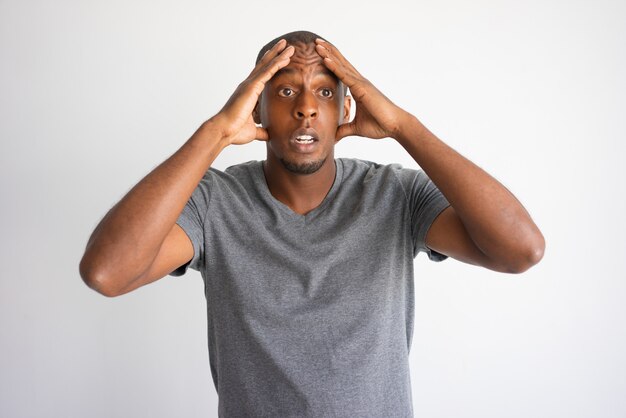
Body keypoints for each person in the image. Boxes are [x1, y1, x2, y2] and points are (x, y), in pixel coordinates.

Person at [80, 30, 544, 417]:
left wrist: (403, 126)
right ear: (257, 107)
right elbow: (107, 272)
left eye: (325, 91)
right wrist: (216, 132)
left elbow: (520, 250)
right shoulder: (214, 202)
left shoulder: (396, 194)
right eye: (285, 91)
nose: (306, 107)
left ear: (346, 108)